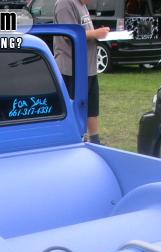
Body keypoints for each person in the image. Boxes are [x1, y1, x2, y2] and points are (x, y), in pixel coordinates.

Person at [53, 0, 109, 144]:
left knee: (92, 107)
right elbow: (68, 34)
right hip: (71, 69)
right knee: (74, 110)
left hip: (88, 67)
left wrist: (97, 34)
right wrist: (96, 33)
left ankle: (95, 141)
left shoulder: (82, 5)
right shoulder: (64, 3)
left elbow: (84, 31)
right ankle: (75, 142)